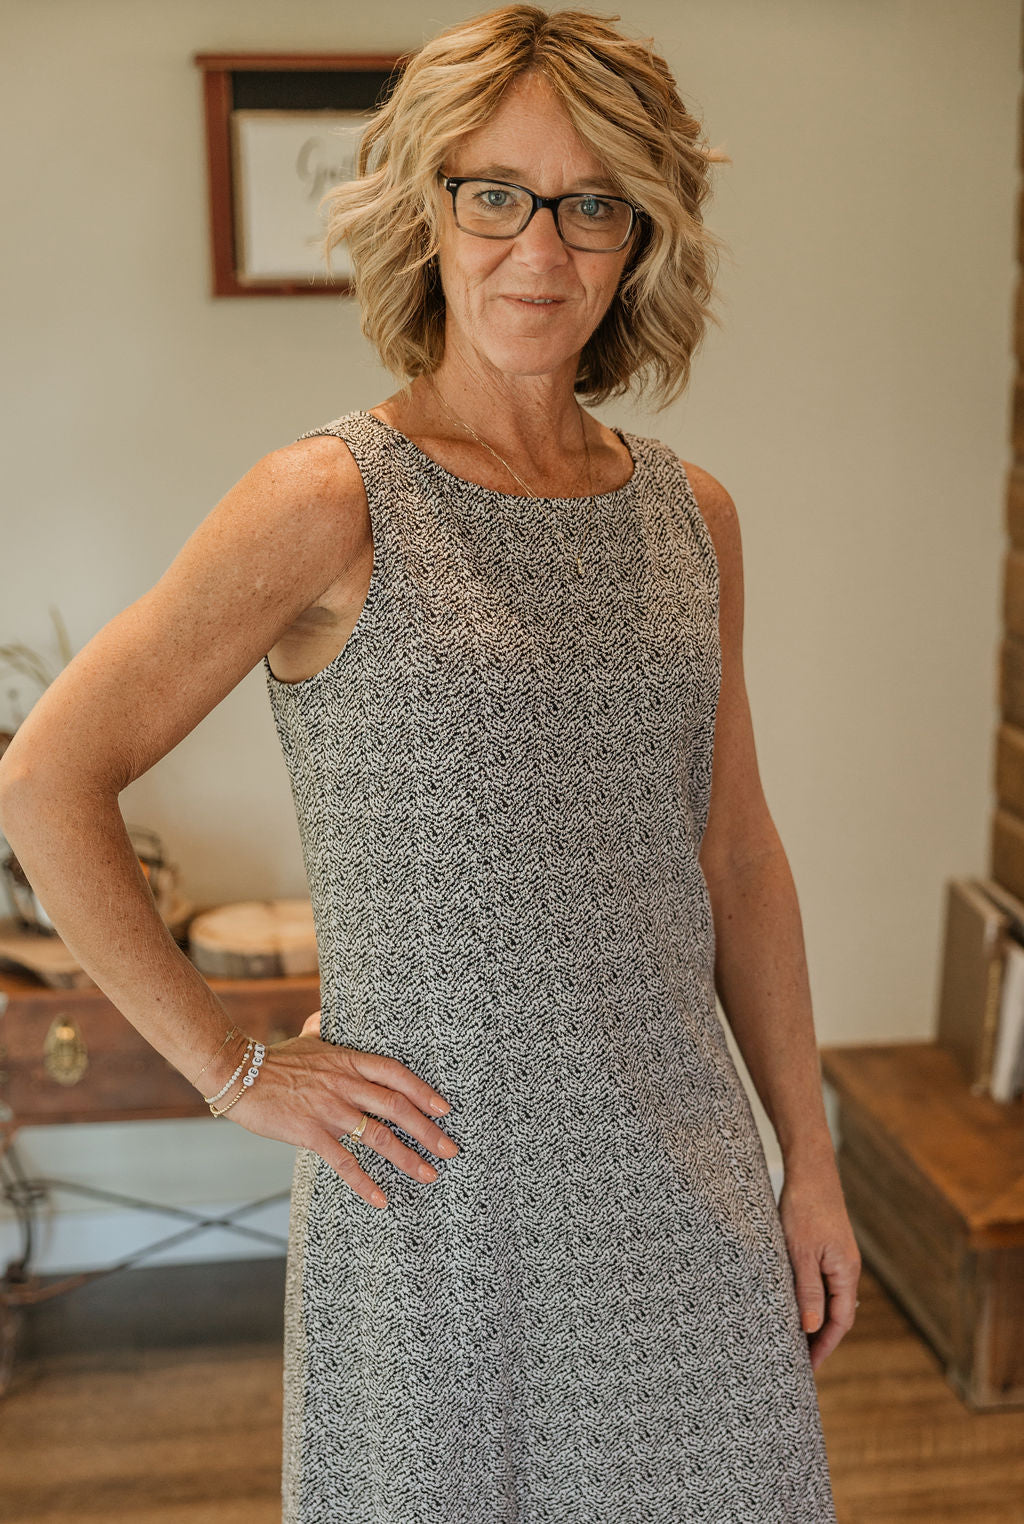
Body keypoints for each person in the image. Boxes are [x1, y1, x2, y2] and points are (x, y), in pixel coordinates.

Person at [0, 5, 860, 1520]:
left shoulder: (694, 518)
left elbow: (735, 854)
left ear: (643, 236)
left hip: (688, 1185)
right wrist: (229, 1067)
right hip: (438, 1207)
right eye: (496, 193)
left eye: (593, 204)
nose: (543, 249)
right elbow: (46, 778)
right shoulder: (327, 500)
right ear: (429, 211)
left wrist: (814, 1157)